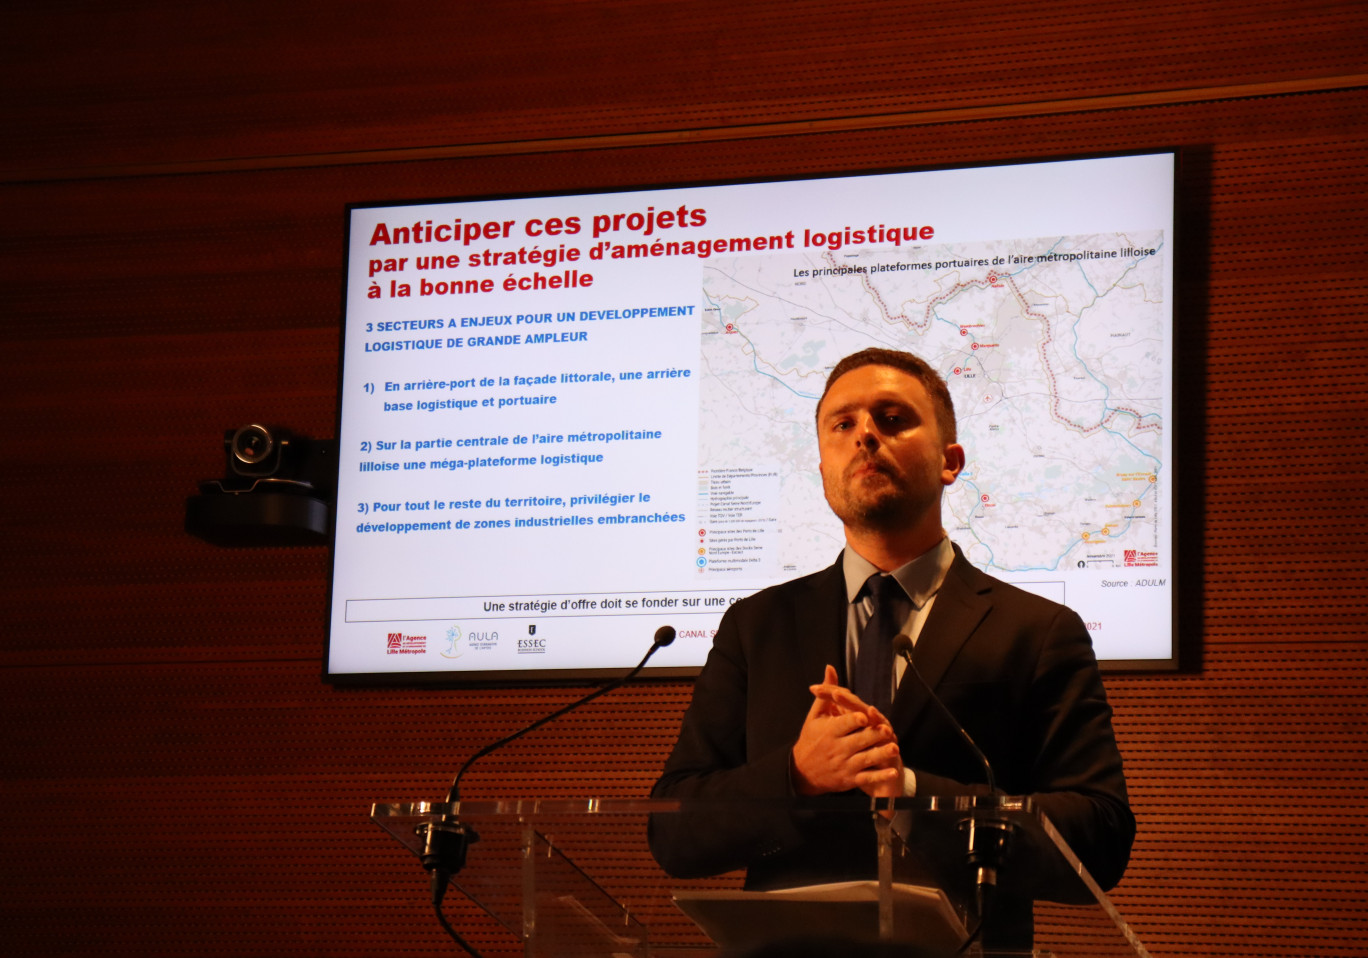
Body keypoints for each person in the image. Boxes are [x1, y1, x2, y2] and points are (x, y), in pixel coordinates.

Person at [649, 347, 1134, 946]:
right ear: (823, 468)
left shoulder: (1036, 630)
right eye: (843, 425)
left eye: (893, 419)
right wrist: (797, 775)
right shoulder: (757, 625)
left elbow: (1100, 839)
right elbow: (672, 832)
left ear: (949, 461)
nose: (865, 437)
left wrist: (911, 794)